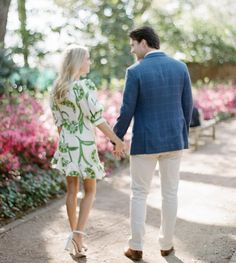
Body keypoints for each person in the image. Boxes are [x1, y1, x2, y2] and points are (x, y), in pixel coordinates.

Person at [113, 26, 193, 261]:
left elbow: (126, 110)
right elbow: (187, 106)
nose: (131, 50)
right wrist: (180, 134)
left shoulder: (135, 71)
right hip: (173, 140)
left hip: (145, 142)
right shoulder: (180, 67)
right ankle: (166, 246)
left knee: (139, 194)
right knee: (170, 194)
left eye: (133, 44)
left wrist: (117, 138)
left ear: (144, 43)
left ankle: (136, 247)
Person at [50, 45, 125, 258]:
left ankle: (75, 238)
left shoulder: (57, 88)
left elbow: (59, 124)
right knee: (90, 190)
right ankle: (78, 236)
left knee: (72, 190)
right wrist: (117, 141)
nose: (89, 63)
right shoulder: (83, 87)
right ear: (78, 62)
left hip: (67, 142)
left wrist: (67, 140)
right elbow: (97, 119)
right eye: (88, 59)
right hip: (83, 142)